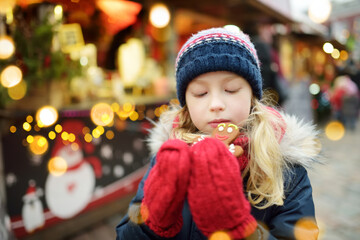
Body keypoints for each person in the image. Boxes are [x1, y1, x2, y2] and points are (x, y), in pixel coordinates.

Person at [115, 27, 321, 239]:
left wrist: (239, 230)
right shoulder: (168, 158)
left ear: (252, 95)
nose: (216, 104)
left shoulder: (287, 169)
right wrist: (151, 223)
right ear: (186, 103)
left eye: (231, 89)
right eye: (200, 93)